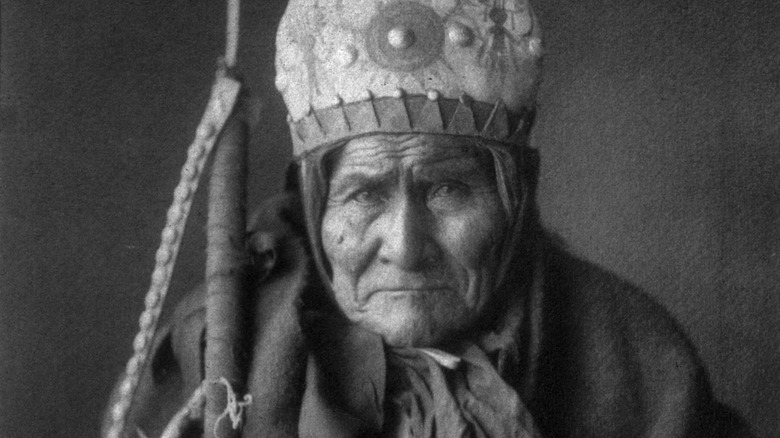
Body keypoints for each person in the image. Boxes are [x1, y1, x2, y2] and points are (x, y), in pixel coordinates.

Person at [103, 0, 754, 436]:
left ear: (513, 201)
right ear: (314, 205)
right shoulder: (219, 342)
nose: (406, 247)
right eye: (362, 196)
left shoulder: (636, 357)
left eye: (447, 191)